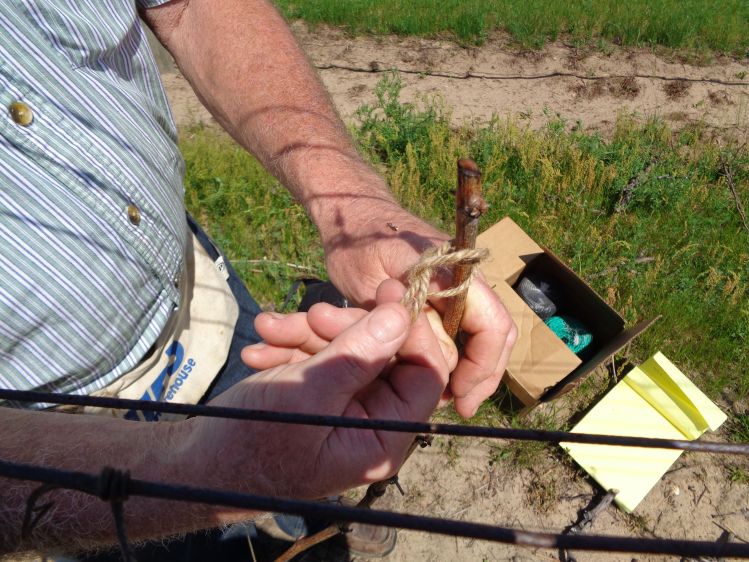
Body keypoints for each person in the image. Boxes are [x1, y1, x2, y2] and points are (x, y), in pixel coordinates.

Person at [0, 0, 516, 558]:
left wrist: (357, 210)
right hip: (55, 438)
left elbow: (187, 8)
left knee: (314, 429)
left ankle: (315, 514)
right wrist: (202, 472)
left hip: (201, 301)